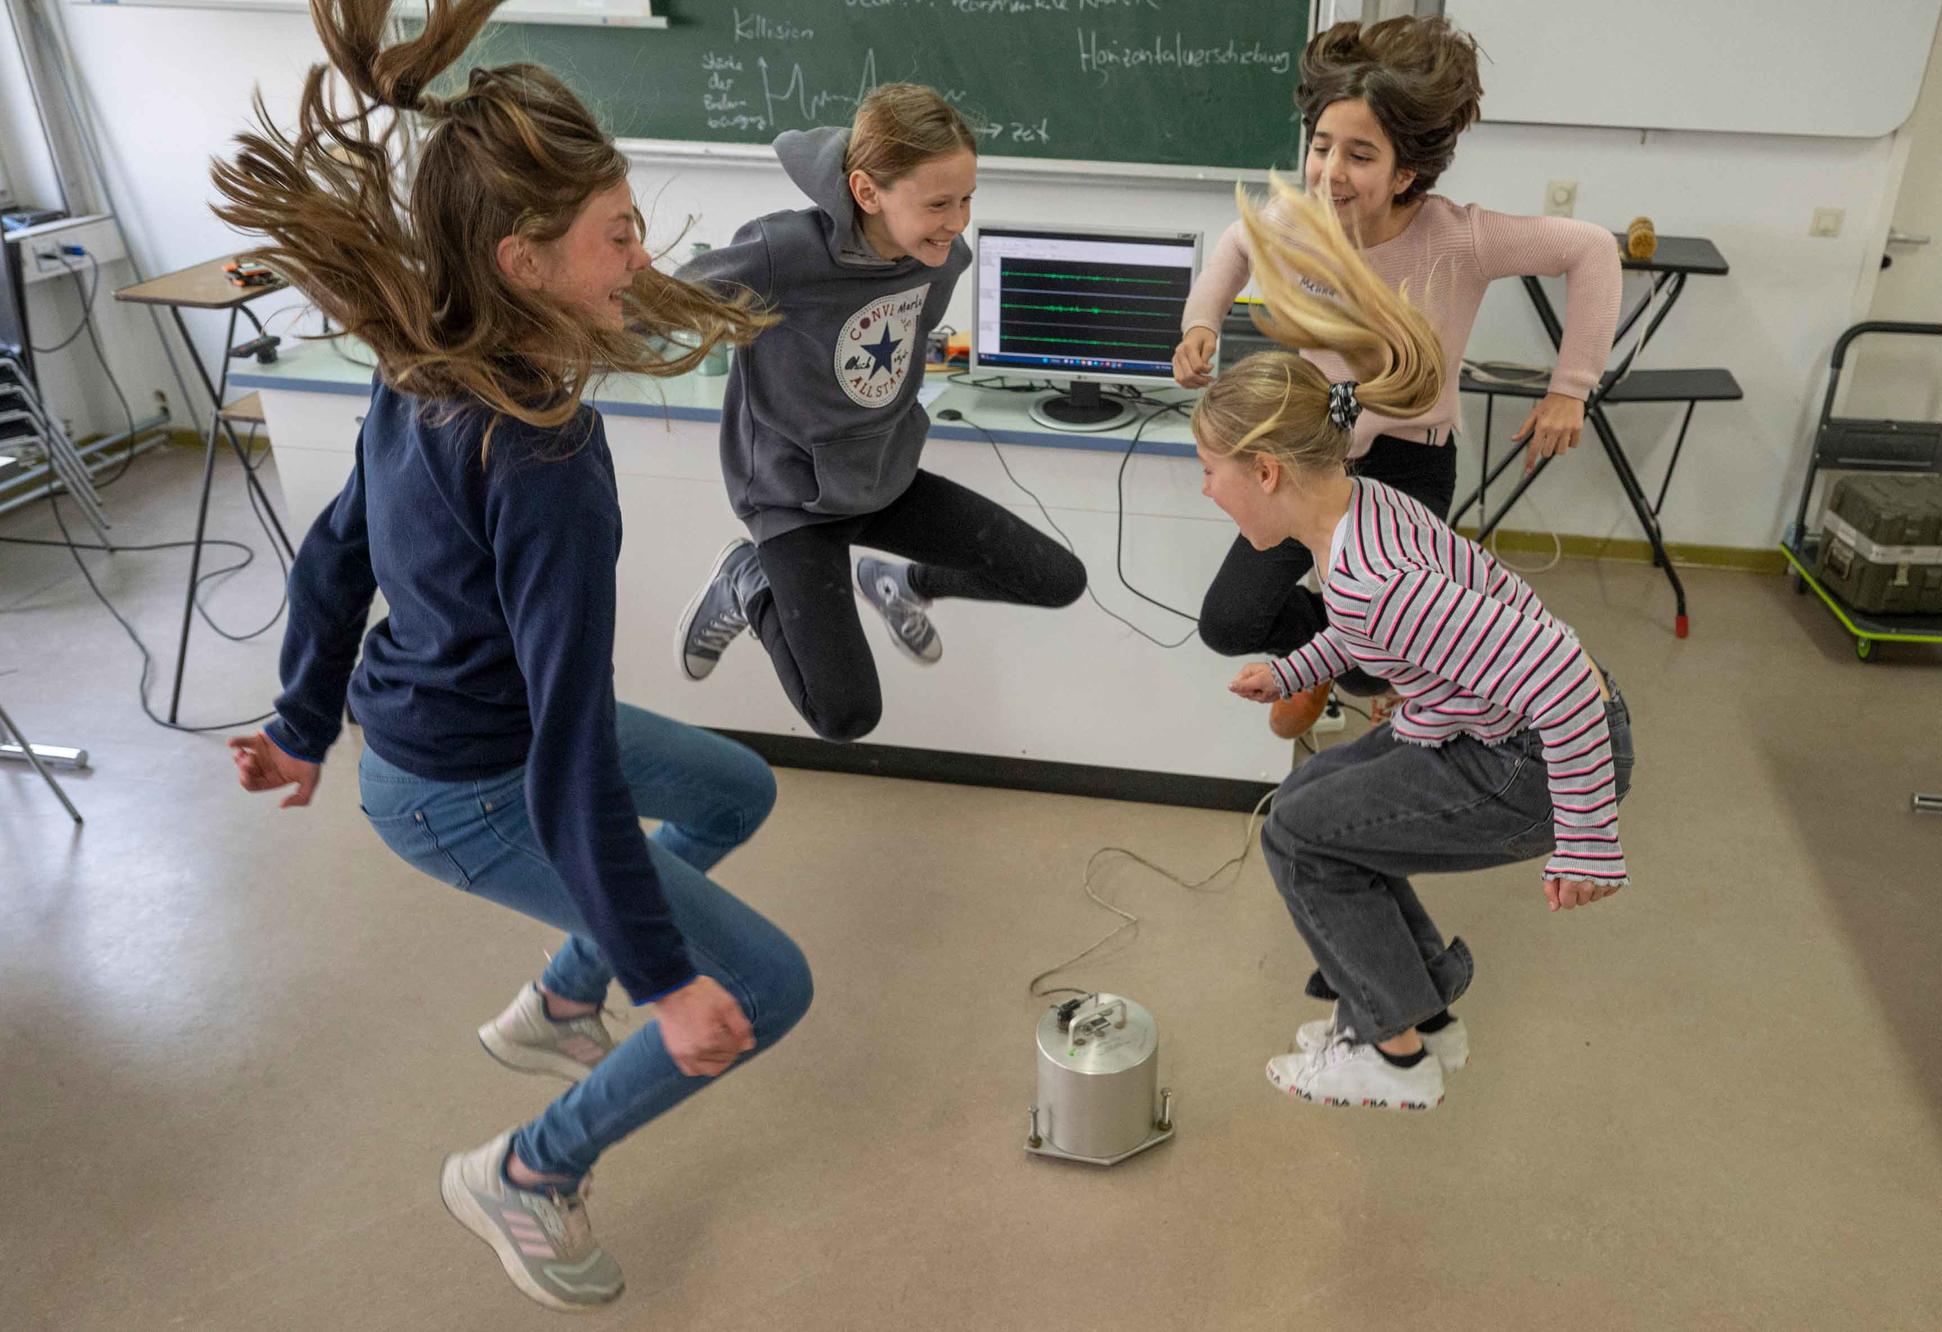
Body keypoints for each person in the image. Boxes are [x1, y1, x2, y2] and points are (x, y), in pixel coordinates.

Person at [216, 0, 810, 1309]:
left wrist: (306, 727)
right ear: (522, 260)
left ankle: (556, 998)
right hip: (471, 786)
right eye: (617, 234)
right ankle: (527, 1175)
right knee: (765, 984)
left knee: (734, 790)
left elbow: (332, 554)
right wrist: (666, 985)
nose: (641, 254)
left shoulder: (423, 360)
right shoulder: (545, 459)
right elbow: (569, 755)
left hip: (436, 746)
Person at [1192, 177, 1636, 1113]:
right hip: (1488, 731)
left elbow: (1560, 678)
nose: (1206, 494)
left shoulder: (1371, 576)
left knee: (1302, 837)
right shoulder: (1359, 512)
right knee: (1312, 792)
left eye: (1211, 474)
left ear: (1267, 471)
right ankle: (1421, 1011)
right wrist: (1293, 669)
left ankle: (1392, 1056)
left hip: (1538, 762)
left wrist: (1589, 844)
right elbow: (1355, 634)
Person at [1175, 16, 1622, 740]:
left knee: (1376, 667)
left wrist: (1570, 387)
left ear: (1405, 171)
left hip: (1410, 464)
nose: (1328, 172)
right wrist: (1203, 324)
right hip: (1309, 459)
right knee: (1230, 622)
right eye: (1320, 147)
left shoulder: (1458, 236)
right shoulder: (1301, 223)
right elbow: (1234, 245)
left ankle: (1340, 667)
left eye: (1359, 155)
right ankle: (1314, 663)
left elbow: (1594, 250)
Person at [674, 85, 1087, 741]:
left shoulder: (943, 259)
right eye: (938, 203)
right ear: (868, 192)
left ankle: (899, 581)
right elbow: (666, 303)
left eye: (966, 199)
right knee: (845, 714)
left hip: (882, 482)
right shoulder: (783, 252)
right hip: (793, 501)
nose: (958, 221)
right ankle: (747, 583)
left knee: (1057, 578)